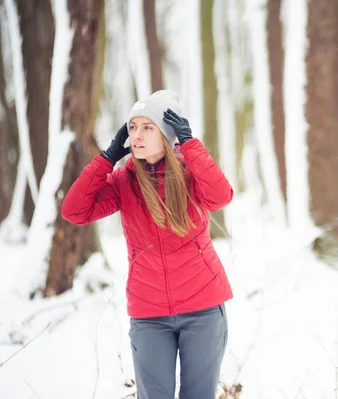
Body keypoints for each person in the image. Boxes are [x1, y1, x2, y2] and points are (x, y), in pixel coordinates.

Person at [61, 90, 234, 398]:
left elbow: (222, 197)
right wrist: (106, 159)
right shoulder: (123, 181)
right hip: (149, 314)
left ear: (167, 134)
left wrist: (191, 146)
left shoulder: (191, 175)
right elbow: (74, 211)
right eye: (132, 127)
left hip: (203, 309)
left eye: (147, 127)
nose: (136, 135)